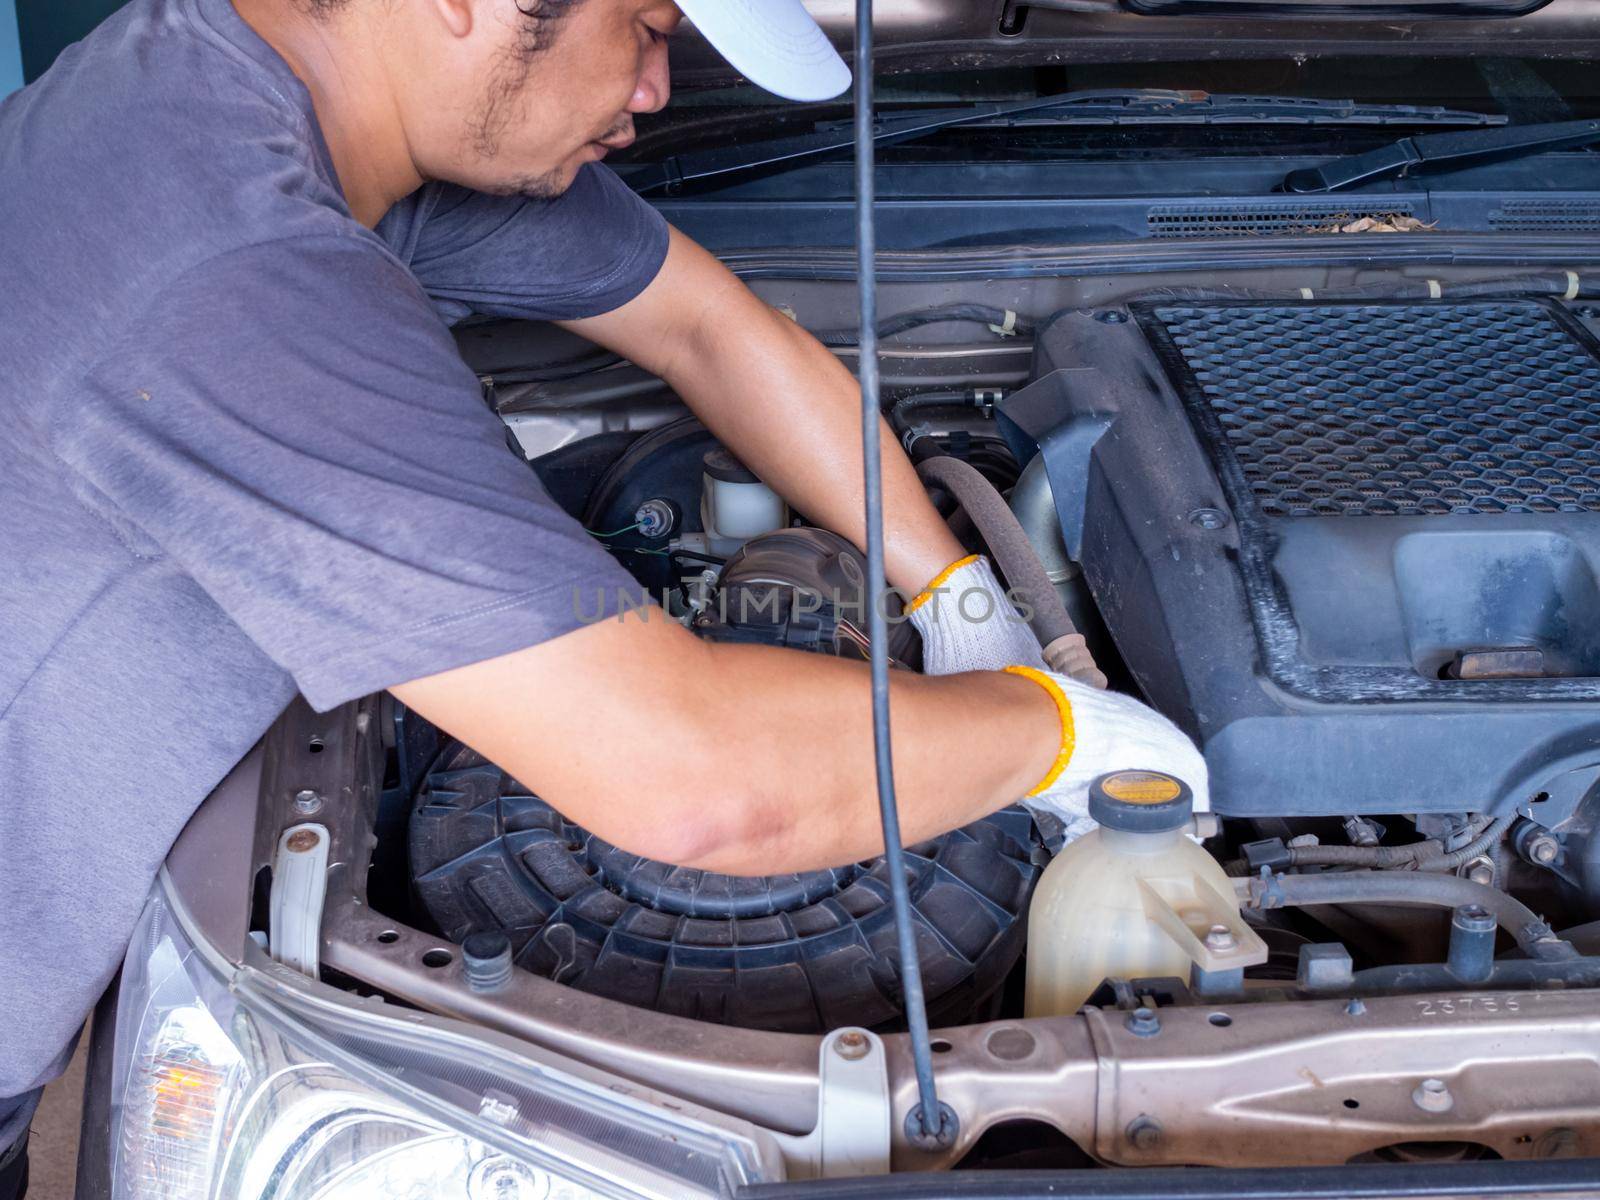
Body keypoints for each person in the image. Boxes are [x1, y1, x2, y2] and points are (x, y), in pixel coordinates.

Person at [0, 0, 1206, 1187]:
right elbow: (696, 784)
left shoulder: (249, 94)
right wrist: (1053, 732)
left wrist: (948, 588)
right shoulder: (228, 261)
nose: (655, 92)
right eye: (646, 26)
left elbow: (707, 329)